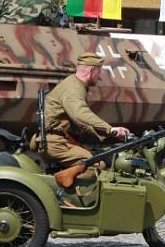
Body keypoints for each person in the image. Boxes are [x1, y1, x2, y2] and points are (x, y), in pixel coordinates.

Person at [43, 53, 130, 203]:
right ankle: (64, 197)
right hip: (56, 143)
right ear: (91, 71)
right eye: (99, 72)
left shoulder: (74, 84)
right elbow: (80, 114)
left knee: (98, 156)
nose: (100, 77)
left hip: (61, 139)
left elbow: (82, 125)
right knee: (95, 164)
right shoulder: (73, 89)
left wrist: (106, 137)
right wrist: (110, 129)